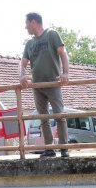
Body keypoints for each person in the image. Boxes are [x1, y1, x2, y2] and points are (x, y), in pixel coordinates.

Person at [19, 12, 71, 157]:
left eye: (26, 24)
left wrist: (65, 73)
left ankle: (63, 148)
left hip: (53, 83)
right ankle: (49, 149)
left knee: (59, 115)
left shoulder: (51, 34)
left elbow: (63, 52)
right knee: (43, 118)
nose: (25, 27)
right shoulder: (29, 43)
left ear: (33, 22)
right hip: (37, 86)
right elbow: (22, 63)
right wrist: (22, 76)